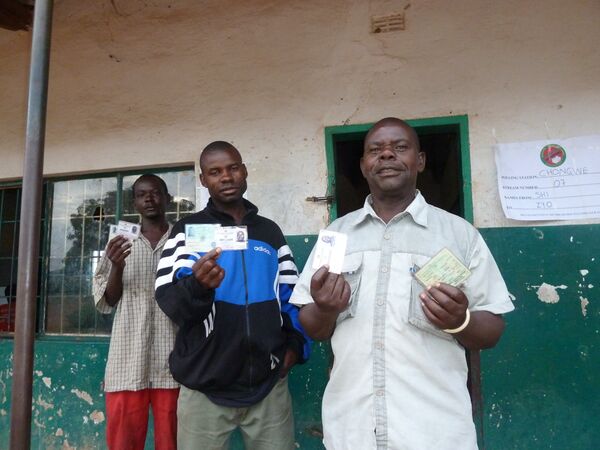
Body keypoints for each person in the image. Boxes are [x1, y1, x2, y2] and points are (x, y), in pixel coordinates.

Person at [291, 118, 514, 449]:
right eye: (375, 150)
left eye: (399, 147)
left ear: (420, 161)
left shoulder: (459, 235)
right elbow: (314, 327)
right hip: (353, 430)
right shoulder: (336, 236)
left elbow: (492, 329)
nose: (386, 155)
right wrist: (325, 309)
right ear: (364, 165)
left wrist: (460, 321)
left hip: (434, 432)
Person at [155, 141, 310, 450]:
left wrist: (294, 347)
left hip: (269, 386)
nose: (226, 177)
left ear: (245, 171)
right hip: (204, 385)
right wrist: (198, 286)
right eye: (215, 172)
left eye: (233, 168)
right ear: (203, 180)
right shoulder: (188, 230)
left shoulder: (269, 232)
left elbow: (292, 296)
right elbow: (170, 301)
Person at [93, 174, 178, 450]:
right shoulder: (120, 238)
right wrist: (117, 266)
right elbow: (108, 300)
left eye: (155, 193)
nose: (149, 199)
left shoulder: (181, 240)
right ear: (134, 203)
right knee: (123, 441)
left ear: (167, 199)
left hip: (173, 360)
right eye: (142, 194)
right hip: (127, 360)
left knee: (173, 441)